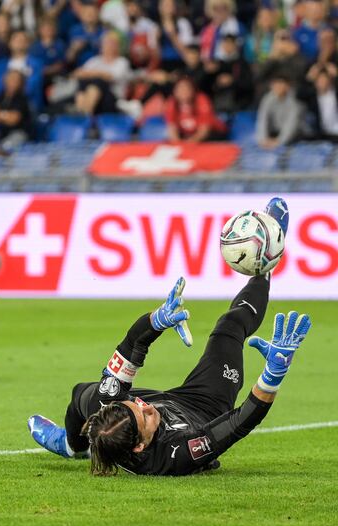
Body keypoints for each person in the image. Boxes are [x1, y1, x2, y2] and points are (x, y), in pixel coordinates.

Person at [29, 198, 314, 476]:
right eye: (146, 416)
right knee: (230, 326)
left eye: (136, 405)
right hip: (204, 408)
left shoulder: (112, 405)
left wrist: (156, 321)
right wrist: (272, 376)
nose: (146, 406)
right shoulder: (177, 453)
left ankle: (71, 444)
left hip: (155, 405)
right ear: (141, 446)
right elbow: (239, 422)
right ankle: (264, 266)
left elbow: (132, 344)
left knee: (83, 394)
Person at [164, 76, 227, 142]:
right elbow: (171, 127)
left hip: (212, 132)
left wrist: (190, 143)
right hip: (188, 134)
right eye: (180, 89)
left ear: (193, 90)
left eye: (186, 88)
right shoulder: (172, 102)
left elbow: (205, 128)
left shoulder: (201, 100)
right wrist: (178, 143)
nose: (183, 91)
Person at [256, 71, 308, 150]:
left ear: (288, 86)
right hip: (276, 132)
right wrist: (263, 139)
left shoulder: (295, 100)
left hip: (296, 134)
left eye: (281, 84)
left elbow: (291, 125)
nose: (277, 87)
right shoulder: (267, 98)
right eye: (275, 84)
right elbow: (262, 119)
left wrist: (279, 142)